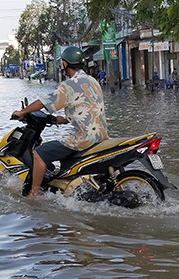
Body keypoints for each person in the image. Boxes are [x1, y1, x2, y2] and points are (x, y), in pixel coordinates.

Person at [11, 46, 107, 198]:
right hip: (100, 135)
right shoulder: (92, 81)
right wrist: (55, 120)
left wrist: (22, 112)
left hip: (83, 138)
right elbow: (82, 110)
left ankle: (34, 194)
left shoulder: (70, 84)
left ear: (64, 64)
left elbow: (45, 101)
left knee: (39, 153)